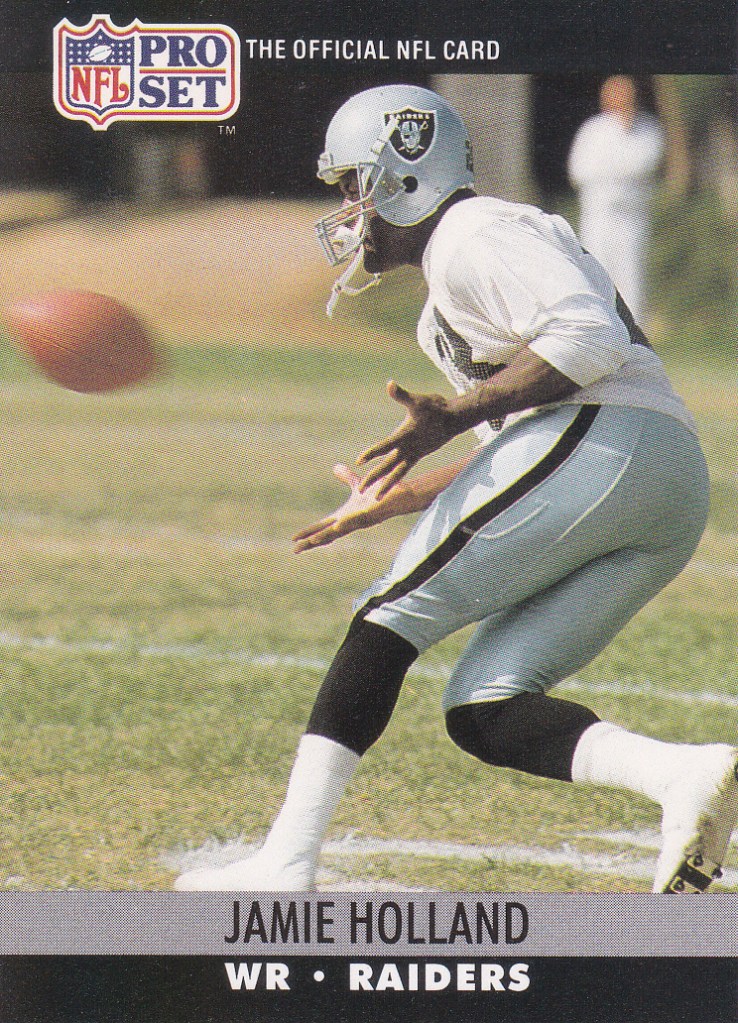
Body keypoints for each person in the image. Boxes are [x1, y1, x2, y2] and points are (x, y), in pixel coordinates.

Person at [175, 84, 737, 895]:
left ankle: (286, 860)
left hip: (614, 438)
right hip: (652, 479)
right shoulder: (443, 295)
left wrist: (455, 412)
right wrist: (402, 496)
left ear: (404, 175)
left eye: (353, 185)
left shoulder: (474, 232)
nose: (347, 208)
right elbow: (516, 447)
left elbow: (590, 338)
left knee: (385, 617)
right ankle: (683, 775)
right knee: (484, 704)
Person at [568, 76, 665, 325]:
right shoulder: (593, 130)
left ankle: (633, 339)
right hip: (598, 217)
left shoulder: (647, 129)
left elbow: (643, 163)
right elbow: (579, 171)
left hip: (631, 218)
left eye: (626, 96)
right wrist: (613, 169)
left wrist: (607, 167)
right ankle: (600, 333)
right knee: (595, 276)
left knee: (631, 280)